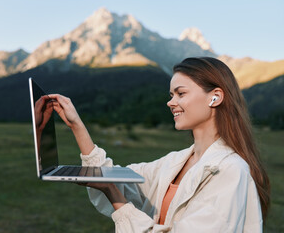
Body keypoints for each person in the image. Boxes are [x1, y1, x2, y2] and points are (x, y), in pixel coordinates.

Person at [48, 57, 270, 232]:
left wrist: (113, 195)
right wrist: (77, 126)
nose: (170, 102)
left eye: (181, 93)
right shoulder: (175, 161)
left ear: (215, 97)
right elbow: (116, 178)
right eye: (171, 94)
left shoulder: (231, 171)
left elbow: (113, 186)